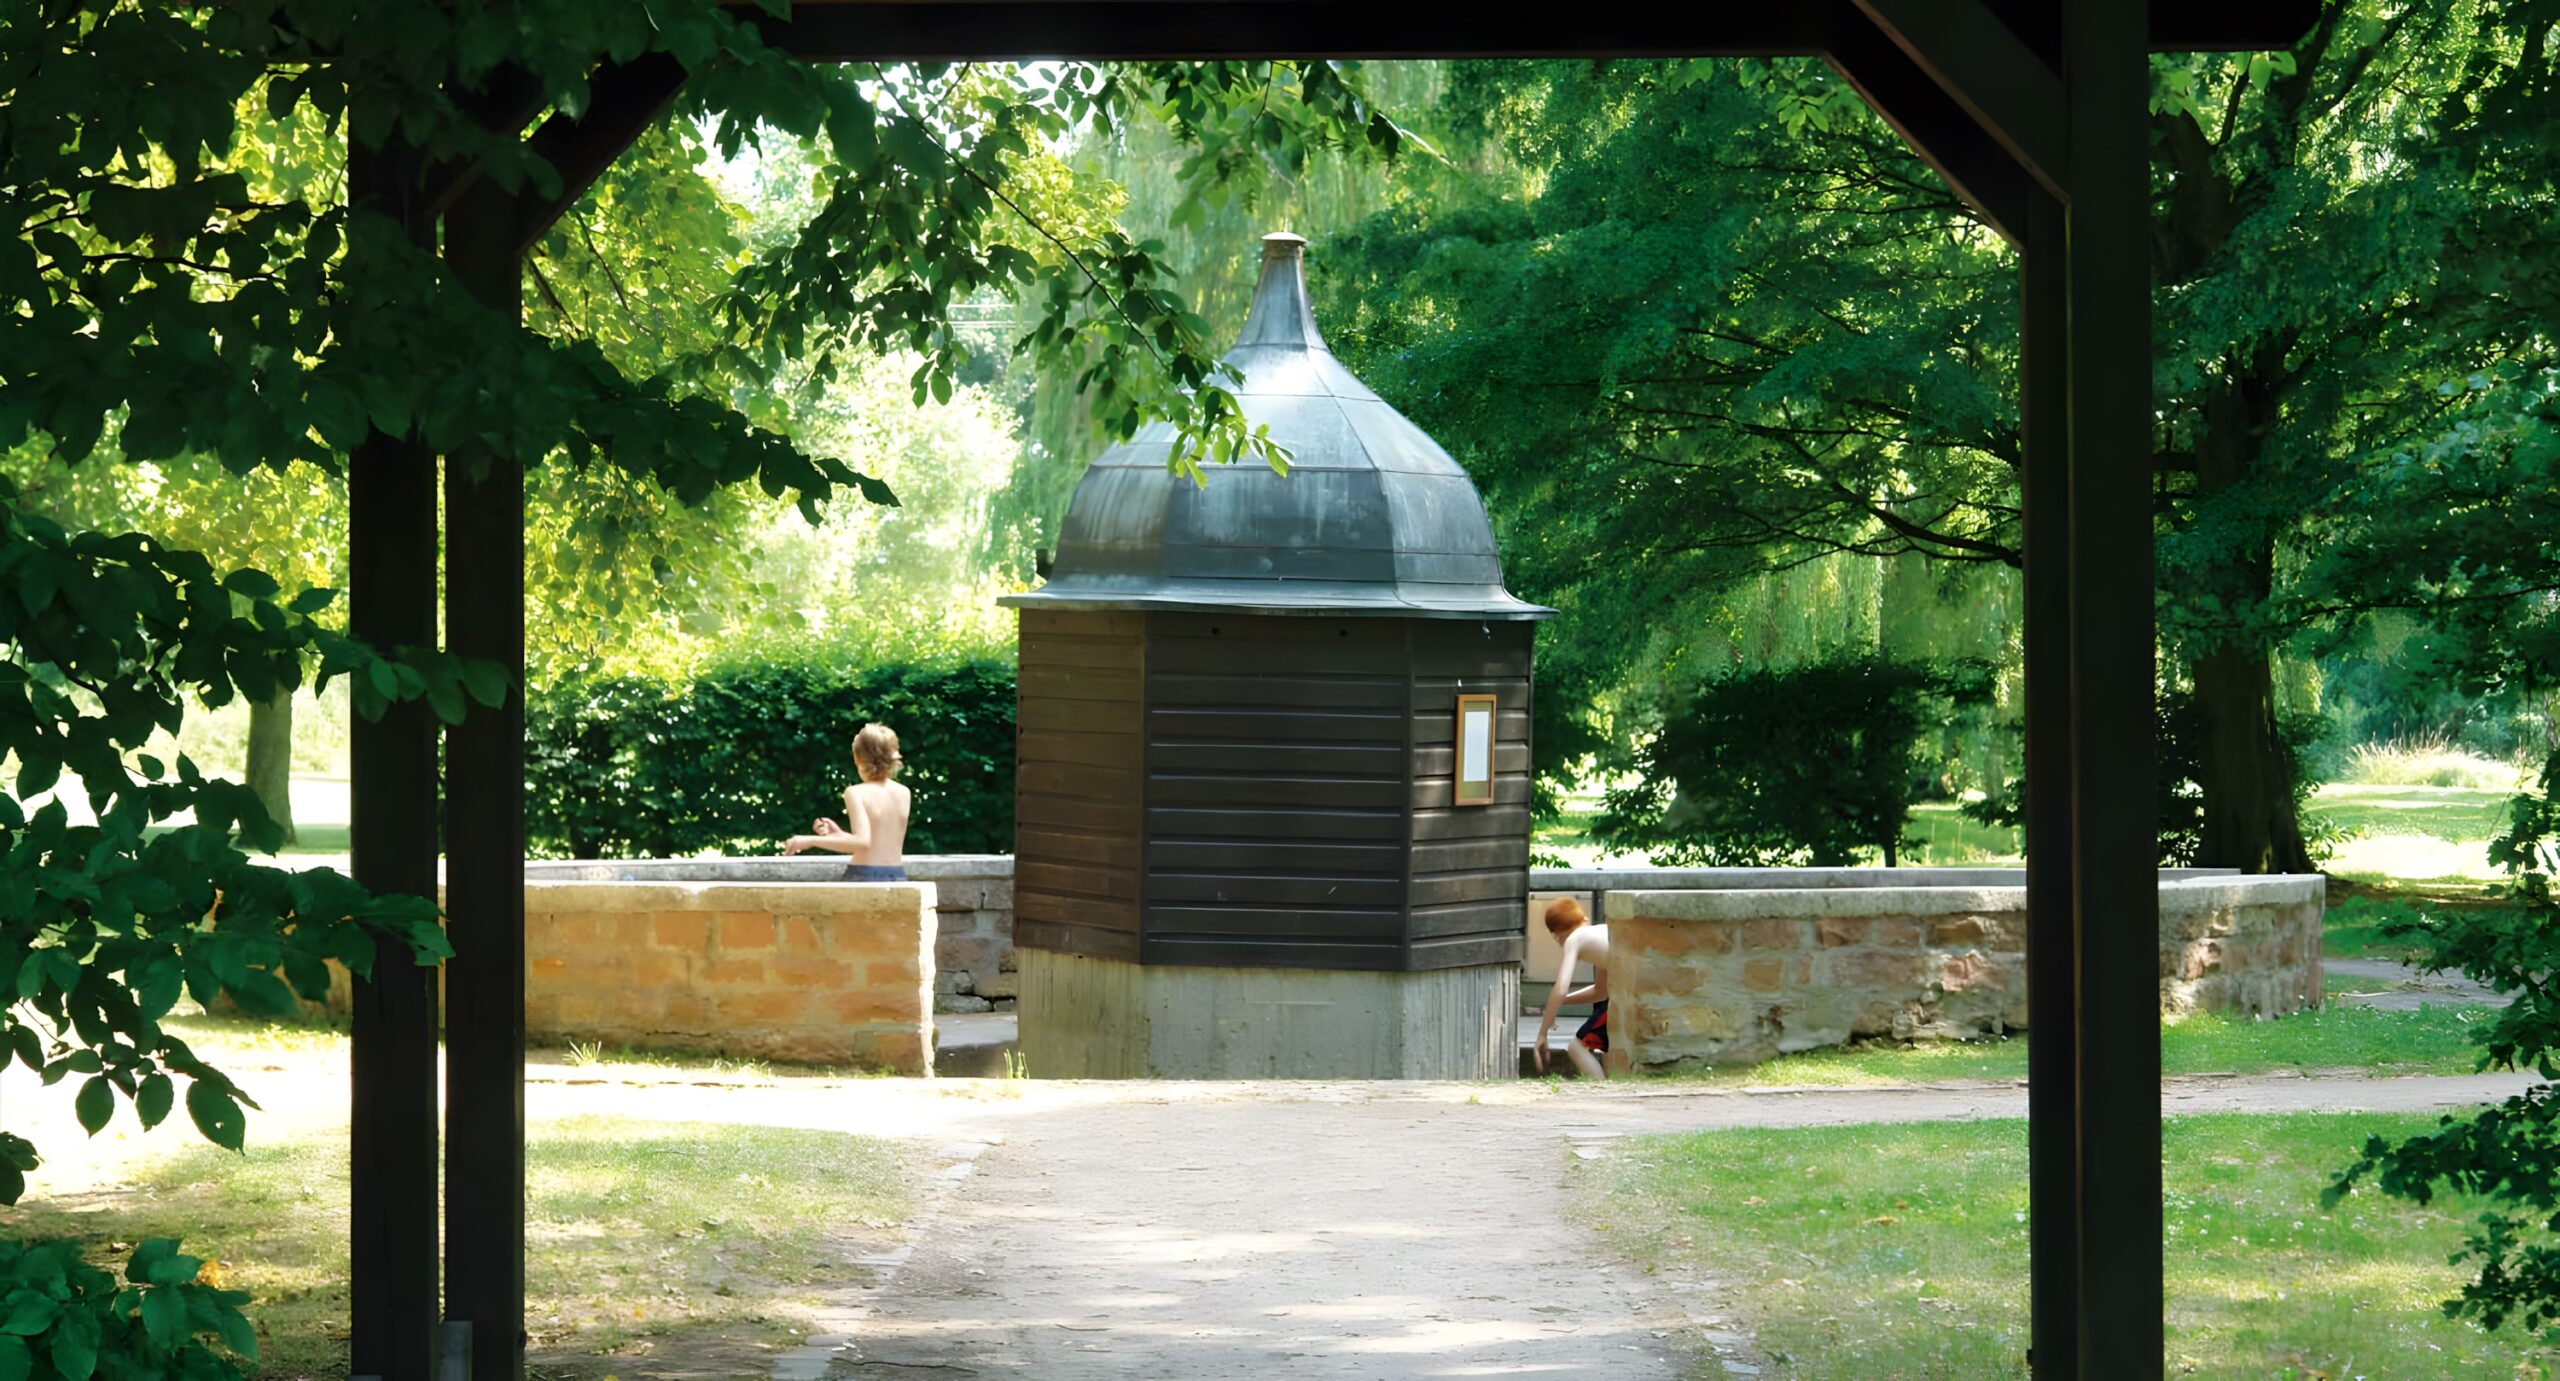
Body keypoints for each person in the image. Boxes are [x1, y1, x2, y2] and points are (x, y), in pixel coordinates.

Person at [782, 723, 911, 880]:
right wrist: (839, 835)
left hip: (864, 876)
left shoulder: (855, 792)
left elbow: (862, 842)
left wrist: (808, 840)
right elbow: (875, 841)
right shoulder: (904, 792)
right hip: (897, 875)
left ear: (857, 758)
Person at [1532, 897, 1609, 1078]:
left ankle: (1602, 1090)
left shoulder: (1573, 939)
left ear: (1556, 935)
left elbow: (1561, 987)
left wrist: (1542, 1034)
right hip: (1635, 991)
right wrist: (1557, 1004)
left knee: (1575, 1047)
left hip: (1626, 996)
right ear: (1585, 920)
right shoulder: (1600, 932)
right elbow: (1601, 991)